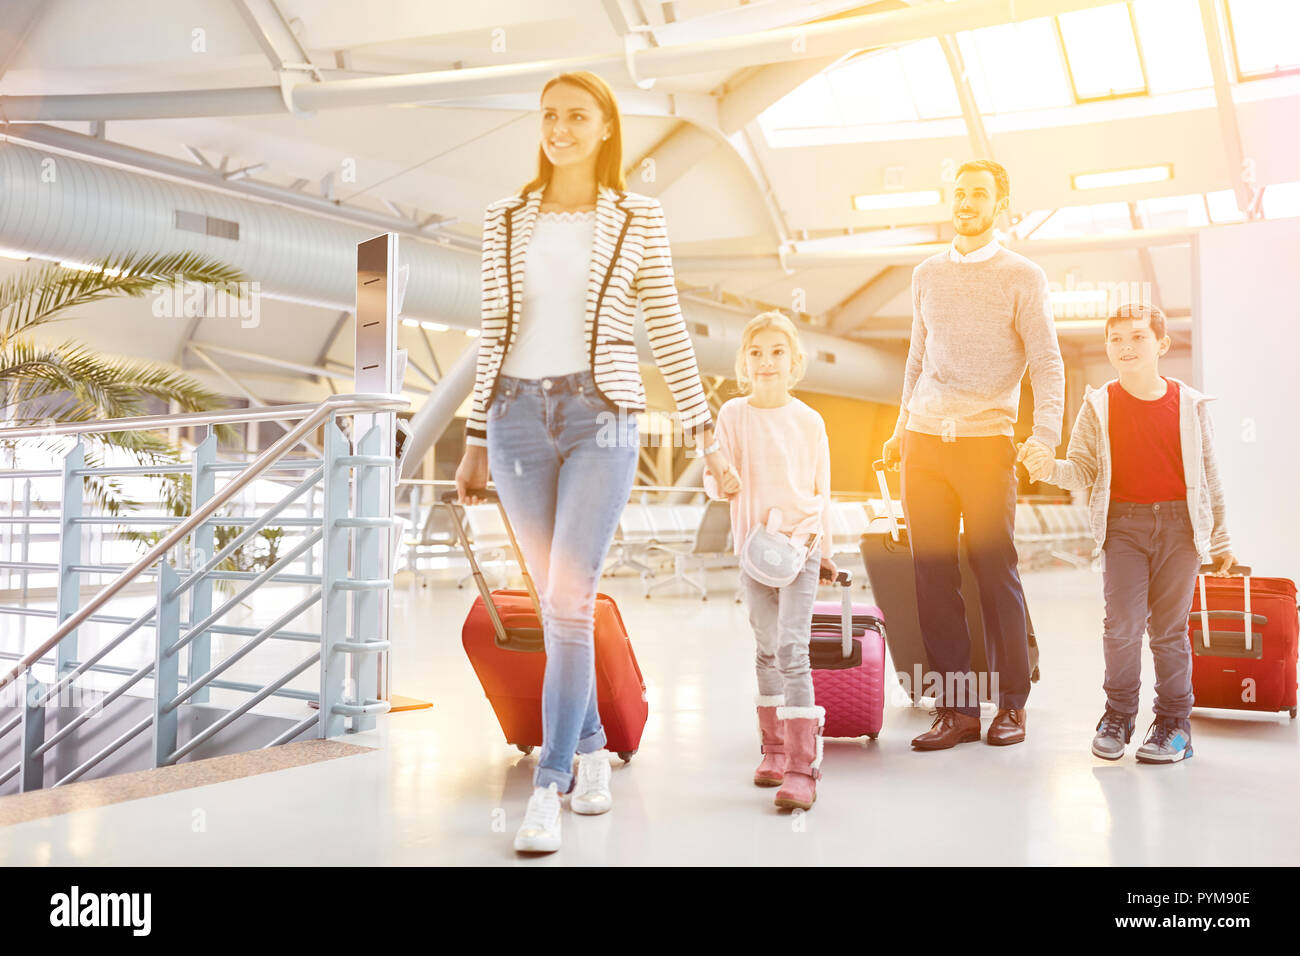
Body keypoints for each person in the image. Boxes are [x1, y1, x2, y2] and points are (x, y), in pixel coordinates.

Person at [454, 71, 734, 854]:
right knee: (552, 603)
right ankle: (589, 747)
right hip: (513, 419)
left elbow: (668, 325)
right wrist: (476, 437)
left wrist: (706, 431)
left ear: (606, 127)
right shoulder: (505, 217)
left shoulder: (637, 217)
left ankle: (549, 787)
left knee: (570, 601)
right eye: (550, 117)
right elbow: (492, 330)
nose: (561, 129)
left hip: (600, 416)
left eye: (577, 116)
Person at [881, 159, 1064, 750]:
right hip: (924, 442)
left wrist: (1044, 435)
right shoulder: (927, 274)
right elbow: (916, 357)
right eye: (959, 193)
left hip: (987, 442)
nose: (966, 202)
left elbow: (1047, 362)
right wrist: (901, 424)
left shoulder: (1023, 276)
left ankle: (1011, 704)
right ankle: (956, 710)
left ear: (1000, 203)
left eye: (978, 194)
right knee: (931, 577)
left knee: (993, 571)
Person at [1020, 303, 1237, 763]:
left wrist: (1221, 541)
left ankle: (1175, 725)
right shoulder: (1097, 405)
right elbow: (1080, 469)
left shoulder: (1189, 404)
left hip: (1181, 528)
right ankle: (1118, 716)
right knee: (1121, 627)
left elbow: (1211, 475)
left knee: (1169, 632)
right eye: (1116, 339)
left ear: (1162, 344)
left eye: (1138, 337)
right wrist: (1047, 468)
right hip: (1123, 526)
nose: (1126, 347)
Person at [703, 311, 836, 811]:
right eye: (756, 353)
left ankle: (803, 768)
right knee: (764, 649)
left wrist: (825, 548)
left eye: (777, 352)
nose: (766, 361)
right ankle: (774, 749)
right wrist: (722, 477)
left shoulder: (809, 421)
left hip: (800, 547)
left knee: (792, 648)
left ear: (794, 361)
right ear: (744, 361)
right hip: (754, 550)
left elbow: (823, 490)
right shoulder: (733, 415)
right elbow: (716, 484)